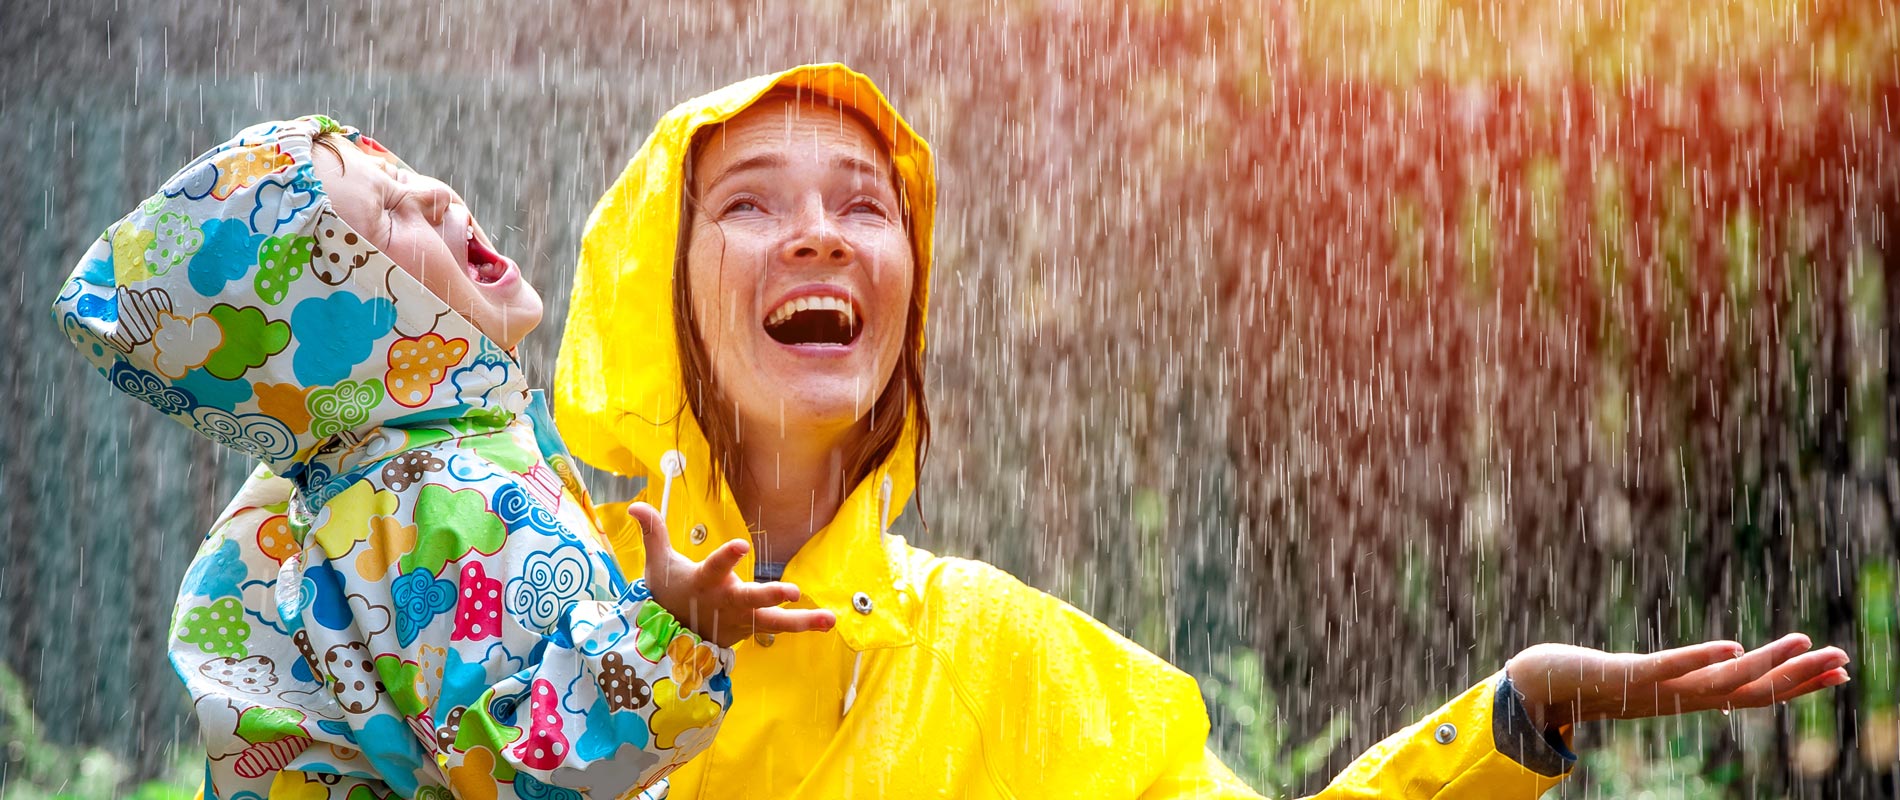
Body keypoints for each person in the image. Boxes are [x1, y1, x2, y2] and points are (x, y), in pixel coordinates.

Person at [553, 64, 1853, 798]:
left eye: (863, 202)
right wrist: (642, 666)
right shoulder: (521, 593)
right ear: (654, 294)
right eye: (748, 204)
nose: (822, 230)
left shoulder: (1011, 662)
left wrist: (1512, 719)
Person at [51, 115, 833, 799]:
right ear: (347, 332)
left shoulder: (342, 487)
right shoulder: (445, 500)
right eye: (388, 213)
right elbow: (522, 771)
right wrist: (670, 635)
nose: (431, 193)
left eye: (401, 173)